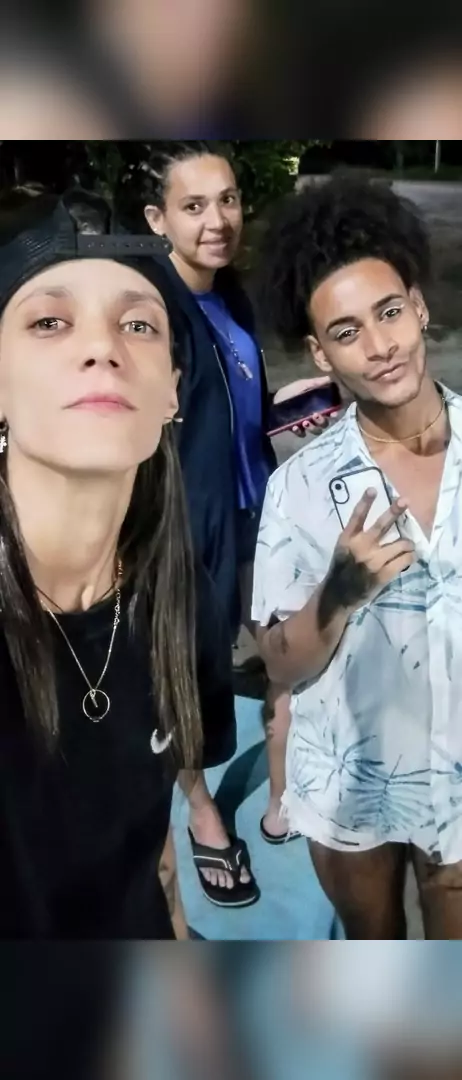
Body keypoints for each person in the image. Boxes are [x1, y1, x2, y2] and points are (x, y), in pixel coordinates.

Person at [0, 187, 237, 939]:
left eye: (139, 324)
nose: (102, 348)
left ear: (172, 392)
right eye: (49, 322)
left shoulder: (181, 598)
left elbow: (154, 846)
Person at [119, 141, 330, 905]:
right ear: (158, 219)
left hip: (255, 510)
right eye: (194, 206)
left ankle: (282, 799)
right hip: (185, 528)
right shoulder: (145, 313)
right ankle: (204, 812)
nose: (218, 221)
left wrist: (283, 410)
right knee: (182, 673)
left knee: (285, 653)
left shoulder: (230, 293)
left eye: (229, 200)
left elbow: (231, 406)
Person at [253, 176, 462, 939]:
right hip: (350, 783)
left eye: (389, 312)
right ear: (319, 352)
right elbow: (280, 663)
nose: (380, 347)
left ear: (419, 306)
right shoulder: (300, 486)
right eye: (346, 332)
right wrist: (336, 594)